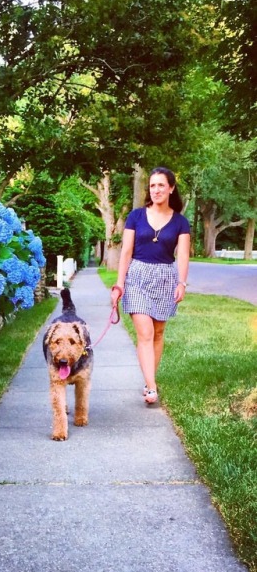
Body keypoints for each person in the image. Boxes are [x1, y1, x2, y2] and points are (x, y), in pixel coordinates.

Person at [111, 167, 190, 404]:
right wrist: (119, 284)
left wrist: (182, 283)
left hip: (165, 277)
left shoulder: (180, 222)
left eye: (161, 185)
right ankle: (153, 387)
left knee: (158, 332)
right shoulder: (136, 216)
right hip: (137, 276)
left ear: (171, 188)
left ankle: (148, 381)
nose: (156, 190)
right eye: (152, 185)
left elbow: (183, 254)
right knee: (144, 332)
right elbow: (125, 252)